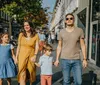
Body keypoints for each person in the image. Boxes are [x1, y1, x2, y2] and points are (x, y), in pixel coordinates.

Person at [54, 13, 88, 85]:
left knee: (79, 82)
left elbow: (83, 45)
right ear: (65, 21)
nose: (69, 20)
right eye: (67, 19)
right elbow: (59, 46)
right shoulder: (61, 32)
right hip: (65, 59)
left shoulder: (79, 30)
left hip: (77, 59)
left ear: (74, 20)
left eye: (71, 18)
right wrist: (57, 59)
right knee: (66, 81)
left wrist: (84, 59)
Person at [16, 21, 39, 85]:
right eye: (24, 25)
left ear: (31, 26)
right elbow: (18, 46)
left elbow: (37, 46)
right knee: (22, 72)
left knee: (31, 71)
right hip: (22, 55)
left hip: (31, 55)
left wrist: (35, 55)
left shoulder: (36, 35)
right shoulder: (21, 34)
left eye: (27, 25)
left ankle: (31, 82)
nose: (26, 27)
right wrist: (16, 57)